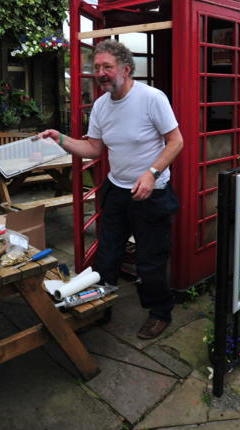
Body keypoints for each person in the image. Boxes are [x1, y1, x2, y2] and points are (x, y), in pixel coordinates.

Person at [39, 39, 183, 339]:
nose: (100, 73)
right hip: (117, 190)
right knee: (107, 255)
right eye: (97, 67)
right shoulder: (101, 106)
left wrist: (152, 173)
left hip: (152, 191)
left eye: (107, 67)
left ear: (126, 69)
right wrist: (60, 139)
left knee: (150, 258)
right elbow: (93, 148)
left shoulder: (152, 98)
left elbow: (176, 141)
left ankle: (160, 313)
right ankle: (99, 307)